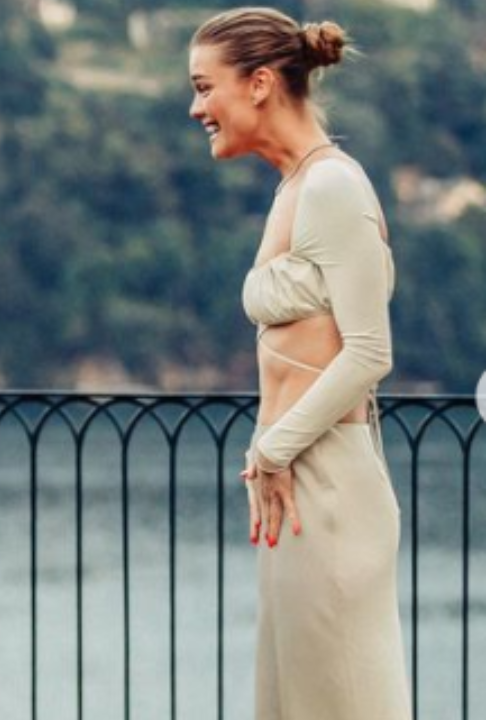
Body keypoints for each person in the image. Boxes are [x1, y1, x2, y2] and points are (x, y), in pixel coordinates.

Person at [189, 8, 410, 719]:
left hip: (327, 482)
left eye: (203, 87)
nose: (196, 108)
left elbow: (370, 351)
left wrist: (276, 447)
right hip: (295, 488)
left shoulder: (332, 187)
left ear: (258, 84)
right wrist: (274, 457)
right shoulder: (295, 187)